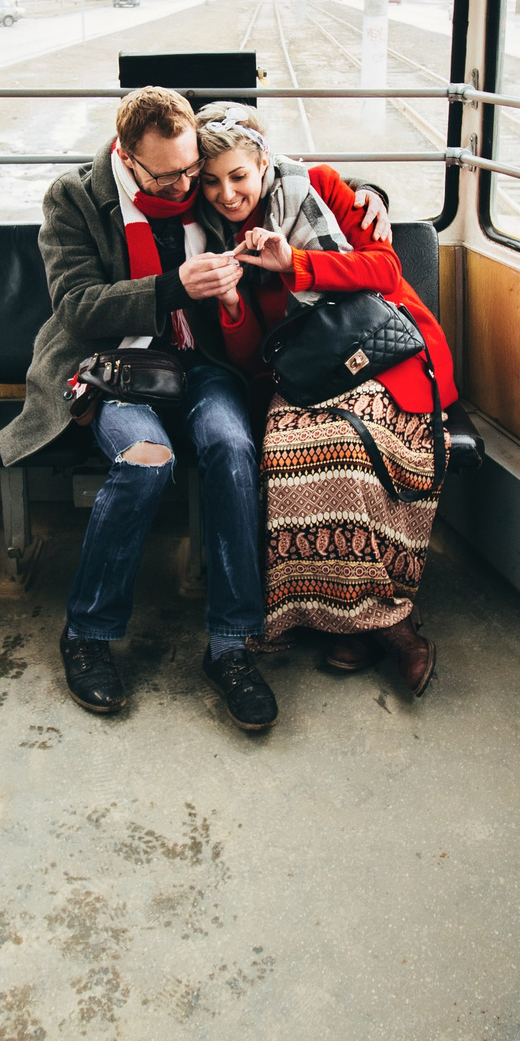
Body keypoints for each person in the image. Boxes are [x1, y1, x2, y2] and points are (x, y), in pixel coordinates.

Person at [1, 86, 375, 733]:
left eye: (190, 171)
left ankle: (232, 644)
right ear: (126, 154)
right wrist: (173, 286)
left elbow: (273, 174)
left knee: (233, 448)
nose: (185, 189)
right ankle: (87, 631)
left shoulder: (205, 177)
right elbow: (77, 306)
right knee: (147, 460)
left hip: (200, 362)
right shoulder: (74, 199)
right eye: (168, 176)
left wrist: (372, 193)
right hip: (116, 366)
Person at [191, 102, 459, 696]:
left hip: (382, 350)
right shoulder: (214, 236)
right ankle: (356, 624)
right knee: (293, 451)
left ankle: (391, 627)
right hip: (308, 369)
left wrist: (298, 264)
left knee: (352, 443)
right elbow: (251, 354)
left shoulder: (322, 188)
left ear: (262, 162)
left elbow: (384, 271)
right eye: (210, 182)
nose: (226, 194)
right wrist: (232, 306)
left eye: (237, 175)